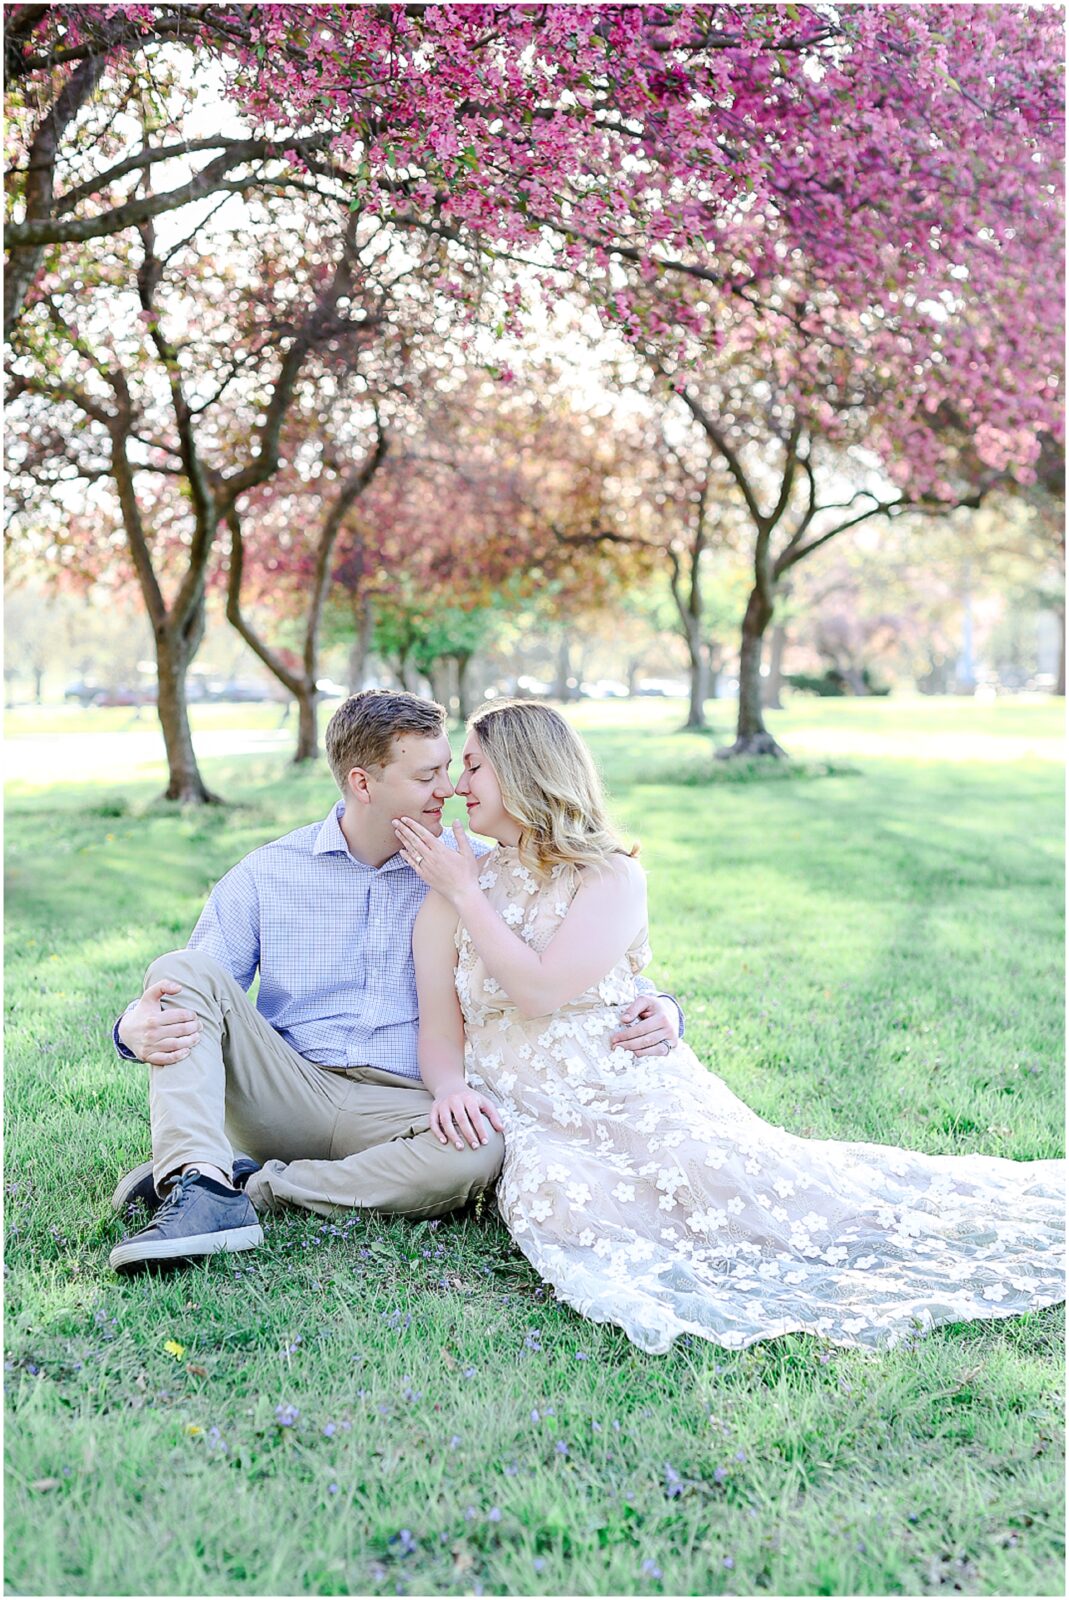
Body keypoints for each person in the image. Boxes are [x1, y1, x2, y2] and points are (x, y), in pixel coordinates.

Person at [396, 699, 1065, 1354]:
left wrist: (464, 896)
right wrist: (450, 1085)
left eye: (473, 766)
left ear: (523, 770)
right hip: (530, 1105)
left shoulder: (609, 875)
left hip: (626, 1084)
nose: (456, 786)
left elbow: (539, 990)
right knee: (563, 1206)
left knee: (769, 1205)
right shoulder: (457, 882)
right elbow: (438, 1025)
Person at [108, 690, 683, 1273]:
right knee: (178, 967)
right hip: (288, 1088)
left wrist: (660, 1005)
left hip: (404, 1102)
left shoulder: (470, 872)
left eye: (453, 770)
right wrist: (129, 1029)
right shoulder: (267, 872)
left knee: (477, 1150)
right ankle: (198, 1184)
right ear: (363, 783)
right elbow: (194, 993)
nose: (449, 789)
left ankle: (253, 1189)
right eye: (427, 775)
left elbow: (581, 964)